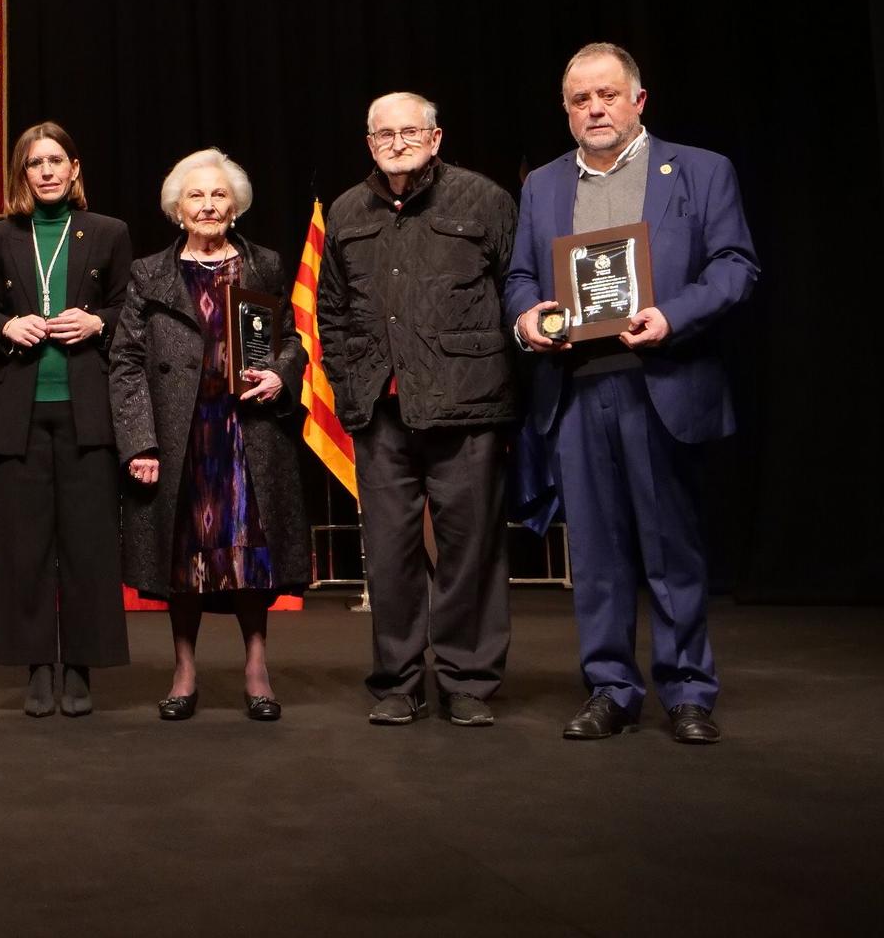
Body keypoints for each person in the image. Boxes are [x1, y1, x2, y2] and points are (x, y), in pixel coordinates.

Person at [506, 43, 758, 744]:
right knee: (596, 552)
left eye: (608, 95)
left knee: (671, 547)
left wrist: (672, 316)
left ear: (637, 100)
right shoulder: (543, 187)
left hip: (663, 381)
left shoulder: (700, 170)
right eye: (581, 99)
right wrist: (528, 319)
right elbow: (521, 278)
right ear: (566, 110)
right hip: (578, 389)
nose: (595, 108)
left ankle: (686, 690)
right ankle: (612, 686)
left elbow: (737, 267)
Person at [317, 91, 518, 728]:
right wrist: (352, 391)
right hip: (381, 411)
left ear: (436, 138)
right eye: (383, 134)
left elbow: (520, 295)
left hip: (468, 407)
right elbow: (331, 312)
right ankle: (397, 681)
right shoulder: (347, 210)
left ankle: (467, 681)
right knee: (390, 552)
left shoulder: (484, 200)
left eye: (409, 132)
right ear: (369, 143)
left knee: (469, 551)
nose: (396, 143)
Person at [110, 148, 308, 721]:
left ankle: (256, 668)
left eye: (219, 195)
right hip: (182, 437)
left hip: (248, 431)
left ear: (236, 206)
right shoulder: (150, 274)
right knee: (183, 557)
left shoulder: (263, 265)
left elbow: (291, 340)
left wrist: (281, 373)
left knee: (251, 556)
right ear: (177, 209)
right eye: (196, 195)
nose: (208, 205)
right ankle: (184, 669)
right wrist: (139, 442)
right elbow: (125, 362)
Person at [0, 122, 132, 717]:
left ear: (73, 169)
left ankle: (82, 668)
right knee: (24, 545)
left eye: (55, 161)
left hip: (87, 406)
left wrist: (99, 323)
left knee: (89, 543)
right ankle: (37, 666)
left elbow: (129, 308)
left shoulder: (109, 233)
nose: (45, 171)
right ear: (21, 174)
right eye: (34, 163)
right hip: (16, 407)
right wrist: (2, 327)